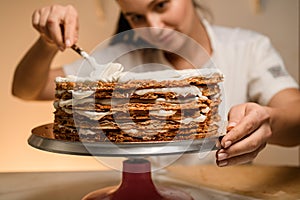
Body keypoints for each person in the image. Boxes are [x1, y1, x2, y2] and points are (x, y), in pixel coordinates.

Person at [12, 0, 300, 167]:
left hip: (230, 190)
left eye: (161, 4)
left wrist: (268, 120)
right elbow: (28, 89)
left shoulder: (248, 48)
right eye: (136, 16)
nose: (154, 26)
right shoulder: (116, 63)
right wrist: (47, 42)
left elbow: (295, 116)